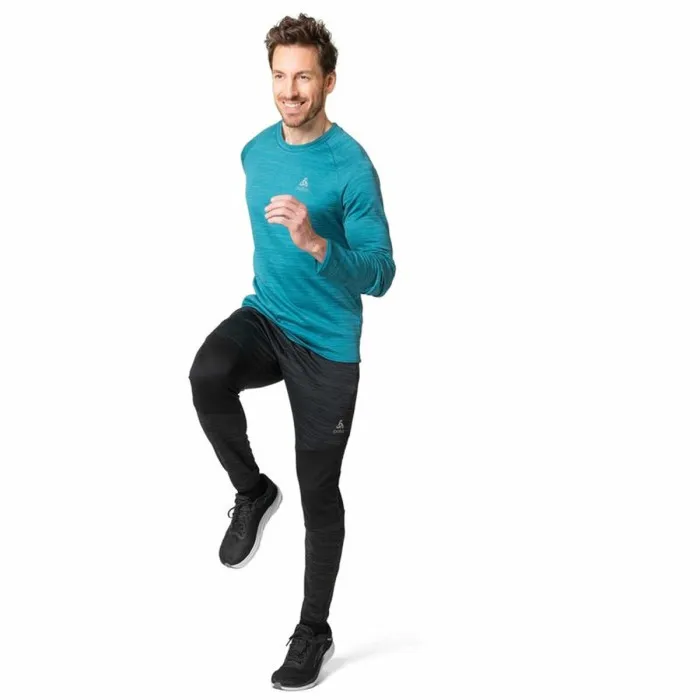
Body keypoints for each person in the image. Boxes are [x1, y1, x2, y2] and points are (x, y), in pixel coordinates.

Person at [188, 13, 396, 691]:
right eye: (280, 76)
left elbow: (381, 273)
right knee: (207, 373)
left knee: (319, 492)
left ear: (329, 81)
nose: (290, 90)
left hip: (327, 347)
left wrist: (316, 243)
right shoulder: (254, 152)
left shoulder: (351, 167)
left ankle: (314, 631)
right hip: (268, 318)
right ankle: (252, 491)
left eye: (304, 76)